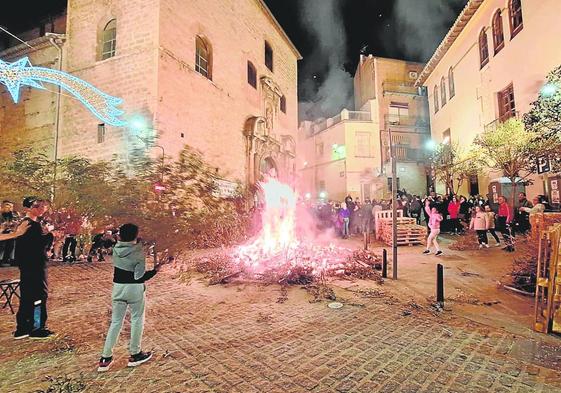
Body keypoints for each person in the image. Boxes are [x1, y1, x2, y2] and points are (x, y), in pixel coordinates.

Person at [98, 223, 157, 372]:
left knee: (116, 322)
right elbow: (139, 276)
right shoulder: (138, 252)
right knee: (137, 319)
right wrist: (156, 270)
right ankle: (135, 354)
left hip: (118, 287)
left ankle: (105, 358)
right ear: (136, 235)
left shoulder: (117, 248)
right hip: (134, 288)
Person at [13, 197, 55, 339]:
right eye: (38, 206)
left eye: (43, 206)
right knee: (39, 296)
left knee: (26, 296)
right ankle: (37, 328)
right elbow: (39, 245)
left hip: (26, 266)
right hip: (36, 266)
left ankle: (22, 328)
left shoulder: (22, 224)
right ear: (29, 208)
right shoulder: (33, 225)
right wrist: (51, 235)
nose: (41, 209)